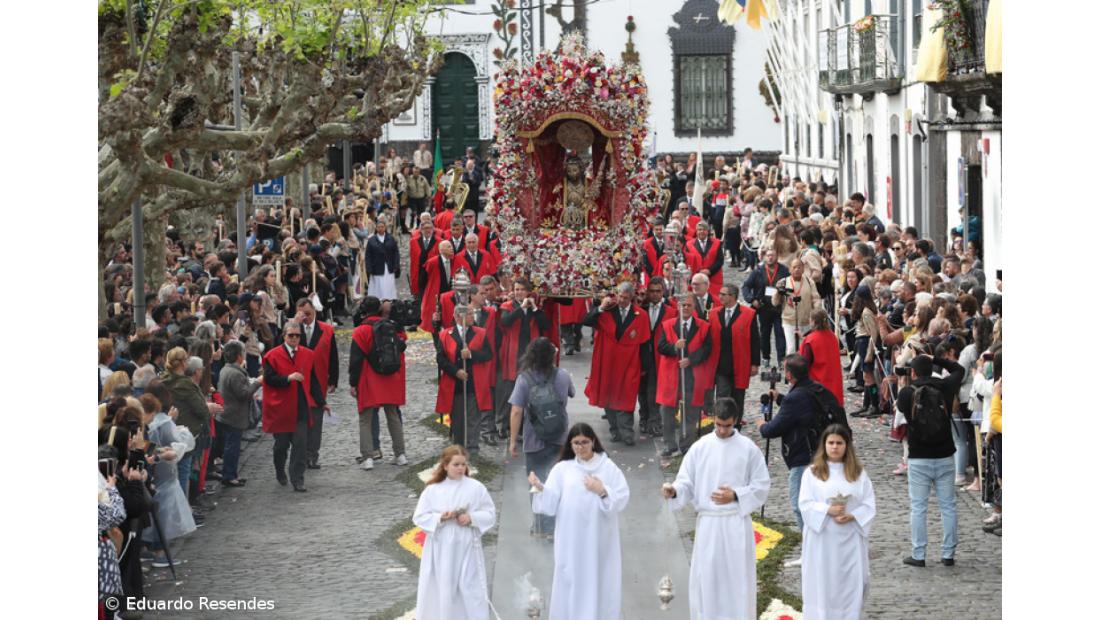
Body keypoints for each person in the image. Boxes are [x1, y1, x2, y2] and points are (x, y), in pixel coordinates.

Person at [662, 398, 770, 620]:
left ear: (736, 422)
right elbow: (686, 482)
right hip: (710, 524)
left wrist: (736, 495)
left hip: (736, 524)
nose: (721, 430)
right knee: (708, 579)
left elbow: (761, 486)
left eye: (727, 425)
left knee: (736, 581)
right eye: (718, 424)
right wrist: (674, 491)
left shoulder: (748, 450)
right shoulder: (700, 447)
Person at [530, 423, 630, 620]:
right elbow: (550, 502)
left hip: (598, 537)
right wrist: (540, 488)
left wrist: (601, 490)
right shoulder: (562, 469)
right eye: (575, 443)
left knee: (599, 579)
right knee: (570, 579)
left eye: (584, 442)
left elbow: (622, 496)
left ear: (593, 441)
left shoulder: (608, 467)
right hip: (571, 538)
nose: (580, 446)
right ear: (570, 444)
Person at [799, 424, 876, 619]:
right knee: (823, 584)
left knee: (850, 585)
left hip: (850, 540)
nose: (835, 447)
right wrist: (827, 510)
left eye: (839, 443)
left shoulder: (858, 474)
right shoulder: (813, 473)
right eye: (831, 443)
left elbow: (869, 504)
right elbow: (805, 504)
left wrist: (853, 515)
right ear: (824, 445)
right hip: (822, 541)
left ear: (846, 445)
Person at [413, 445, 496, 620]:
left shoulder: (476, 487)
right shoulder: (433, 490)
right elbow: (420, 516)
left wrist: (471, 518)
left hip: (467, 545)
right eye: (456, 464)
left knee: (469, 587)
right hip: (442, 546)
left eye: (463, 464)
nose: (460, 468)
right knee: (443, 588)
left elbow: (489, 513)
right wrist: (439, 518)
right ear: (445, 466)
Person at [898, 354, 964, 567]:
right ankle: (948, 553)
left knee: (918, 507)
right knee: (948, 506)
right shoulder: (945, 387)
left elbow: (901, 410)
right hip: (944, 454)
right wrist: (937, 357)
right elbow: (958, 369)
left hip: (918, 457)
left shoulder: (907, 393)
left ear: (913, 373)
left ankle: (919, 554)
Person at [508, 337, 573, 537]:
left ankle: (540, 527)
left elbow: (517, 411)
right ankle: (556, 525)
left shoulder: (524, 379)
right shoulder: (562, 375)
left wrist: (512, 441)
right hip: (559, 439)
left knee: (536, 483)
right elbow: (570, 394)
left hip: (534, 439)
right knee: (558, 484)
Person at [582, 282, 651, 446]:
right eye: (620, 296)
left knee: (626, 398)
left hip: (629, 363)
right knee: (608, 396)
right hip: (607, 362)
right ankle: (615, 430)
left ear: (632, 298)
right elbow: (586, 321)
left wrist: (645, 367)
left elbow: (644, 344)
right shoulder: (607, 310)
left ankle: (627, 432)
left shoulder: (640, 315)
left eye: (626, 298)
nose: (621, 300)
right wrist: (600, 308)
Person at [756, 354, 820, 530]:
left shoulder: (795, 397)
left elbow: (773, 429)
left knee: (799, 504)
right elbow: (801, 410)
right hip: (816, 451)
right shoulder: (813, 388)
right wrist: (780, 399)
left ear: (789, 375)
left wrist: (763, 426)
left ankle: (810, 546)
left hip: (802, 455)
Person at [262, 321, 325, 492]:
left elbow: (312, 381)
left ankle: (298, 479)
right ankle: (280, 470)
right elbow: (268, 379)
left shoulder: (307, 354)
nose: (295, 339)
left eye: (298, 336)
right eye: (291, 335)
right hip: (281, 409)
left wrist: (321, 402)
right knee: (281, 446)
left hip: (300, 407)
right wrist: (287, 378)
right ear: (284, 336)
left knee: (300, 446)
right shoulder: (272, 356)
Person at [350, 296, 409, 470]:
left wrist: (353, 383)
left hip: (369, 378)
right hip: (390, 379)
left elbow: (355, 360)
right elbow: (402, 347)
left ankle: (368, 457)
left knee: (365, 419)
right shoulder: (390, 326)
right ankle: (400, 454)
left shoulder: (360, 331)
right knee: (393, 416)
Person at [656, 296, 713, 458]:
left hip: (692, 376)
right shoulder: (667, 325)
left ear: (694, 306)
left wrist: (691, 360)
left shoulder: (703, 326)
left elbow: (707, 348)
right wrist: (674, 347)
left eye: (688, 305)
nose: (685, 308)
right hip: (671, 376)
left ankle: (687, 445)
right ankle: (669, 445)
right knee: (667, 412)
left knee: (691, 412)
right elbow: (661, 347)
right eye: (682, 305)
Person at [436, 304, 494, 456]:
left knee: (473, 419)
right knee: (457, 419)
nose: (472, 317)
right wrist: (456, 372)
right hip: (454, 385)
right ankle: (458, 448)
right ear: (457, 317)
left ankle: (473, 448)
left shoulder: (480, 333)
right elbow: (440, 359)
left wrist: (471, 355)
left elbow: (488, 354)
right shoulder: (445, 335)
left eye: (471, 313)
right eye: (468, 314)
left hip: (474, 383)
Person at [495, 278, 550, 439]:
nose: (519, 292)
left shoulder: (535, 308)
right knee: (510, 390)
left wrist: (534, 309)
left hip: (530, 355)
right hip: (513, 353)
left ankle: (523, 428)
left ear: (528, 292)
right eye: (516, 289)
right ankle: (503, 425)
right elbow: (505, 321)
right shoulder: (507, 306)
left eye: (522, 289)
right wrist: (521, 309)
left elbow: (545, 325)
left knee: (529, 392)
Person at [706, 284, 760, 421]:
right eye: (720, 294)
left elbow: (755, 340)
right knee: (722, 396)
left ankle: (736, 424)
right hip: (720, 365)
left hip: (740, 364)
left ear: (733, 297)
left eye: (723, 294)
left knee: (738, 397)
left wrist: (755, 363)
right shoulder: (714, 313)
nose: (720, 297)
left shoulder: (748, 314)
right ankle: (721, 423)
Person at [295, 299, 339, 469]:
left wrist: (333, 379)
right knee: (300, 421)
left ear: (314, 310)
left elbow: (333, 356)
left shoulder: (326, 329)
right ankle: (301, 453)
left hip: (319, 381)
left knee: (316, 419)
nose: (305, 317)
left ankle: (312, 454)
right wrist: (295, 325)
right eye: (302, 314)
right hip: (298, 381)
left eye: (308, 313)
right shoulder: (292, 328)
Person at [215, 340, 261, 486]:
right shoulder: (235, 373)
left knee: (231, 447)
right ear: (239, 356)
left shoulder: (226, 369)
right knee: (232, 448)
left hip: (227, 415)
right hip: (233, 416)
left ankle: (231, 474)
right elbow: (244, 394)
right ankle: (229, 476)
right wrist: (257, 383)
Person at [742, 248, 789, 367]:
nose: (770, 258)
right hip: (763, 308)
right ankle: (765, 357)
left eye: (772, 255)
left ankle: (781, 359)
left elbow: (790, 286)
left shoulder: (784, 270)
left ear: (777, 257)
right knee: (764, 333)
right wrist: (752, 299)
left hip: (779, 307)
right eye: (768, 255)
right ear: (764, 257)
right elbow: (746, 286)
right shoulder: (758, 270)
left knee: (780, 333)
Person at [772, 257, 822, 354]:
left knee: (806, 349)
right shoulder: (783, 282)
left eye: (799, 267)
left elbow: (816, 298)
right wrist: (778, 292)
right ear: (790, 269)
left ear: (803, 269)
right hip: (789, 321)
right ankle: (791, 368)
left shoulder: (809, 281)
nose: (797, 269)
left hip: (807, 321)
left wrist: (816, 313)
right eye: (794, 267)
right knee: (791, 348)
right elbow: (774, 302)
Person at [800, 309, 845, 408]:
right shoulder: (832, 336)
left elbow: (805, 363)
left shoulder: (811, 340)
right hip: (833, 382)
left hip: (817, 383)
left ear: (814, 322)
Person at [366, 216, 400, 300]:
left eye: (382, 227)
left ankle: (390, 299)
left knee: (389, 284)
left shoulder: (391, 239)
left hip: (389, 266)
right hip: (376, 267)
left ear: (385, 228)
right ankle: (378, 300)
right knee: (378, 284)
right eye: (379, 227)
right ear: (376, 228)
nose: (381, 229)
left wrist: (396, 264)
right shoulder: (371, 240)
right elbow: (368, 255)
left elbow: (396, 252)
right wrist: (369, 267)